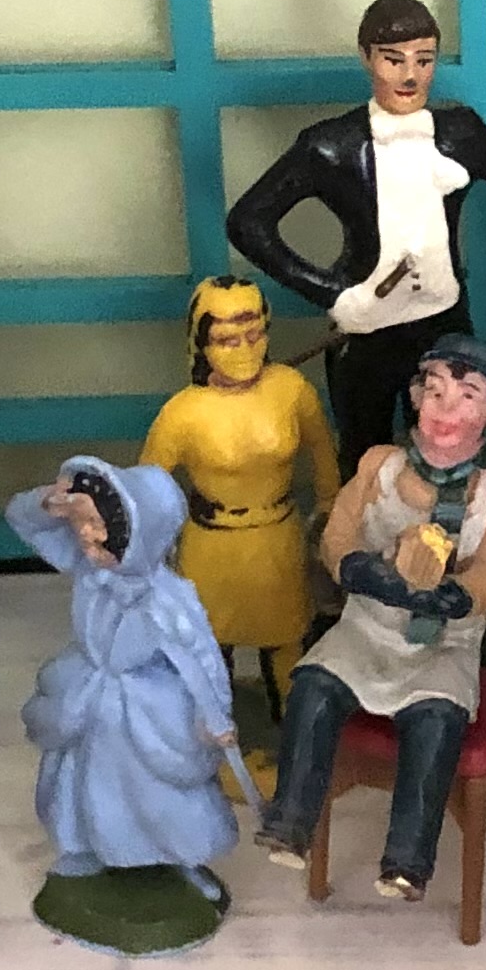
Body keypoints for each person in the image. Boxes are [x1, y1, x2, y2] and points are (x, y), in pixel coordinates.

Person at [224, 0, 486, 461]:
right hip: (366, 331)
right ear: (366, 58)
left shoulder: (458, 133)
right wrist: (334, 294)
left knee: (453, 446)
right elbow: (248, 222)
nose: (410, 75)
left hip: (444, 324)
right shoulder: (331, 146)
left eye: (424, 60)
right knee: (365, 455)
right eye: (393, 60)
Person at [254, 334, 486, 905]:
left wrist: (454, 597)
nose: (446, 409)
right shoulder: (379, 466)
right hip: (366, 628)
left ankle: (407, 858)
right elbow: (338, 532)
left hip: (442, 644)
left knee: (435, 719)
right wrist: (357, 568)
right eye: (435, 392)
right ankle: (291, 819)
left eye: (467, 397)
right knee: (313, 687)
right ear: (416, 399)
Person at [3, 456, 243, 946]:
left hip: (150, 710)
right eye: (82, 523)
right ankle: (87, 848)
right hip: (88, 694)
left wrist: (214, 712)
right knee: (81, 781)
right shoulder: (87, 566)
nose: (86, 536)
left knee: (161, 794)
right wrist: (50, 502)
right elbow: (23, 521)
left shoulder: (169, 596)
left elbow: (201, 656)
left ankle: (180, 858)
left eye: (97, 525)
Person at [142, 274, 340, 726]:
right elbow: (147, 485)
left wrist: (330, 506)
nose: (245, 349)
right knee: (209, 647)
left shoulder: (291, 389)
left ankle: (295, 736)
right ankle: (212, 736)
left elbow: (322, 448)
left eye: (255, 335)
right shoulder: (182, 412)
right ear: (201, 344)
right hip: (211, 545)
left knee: (287, 640)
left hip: (277, 536)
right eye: (227, 340)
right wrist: (144, 551)